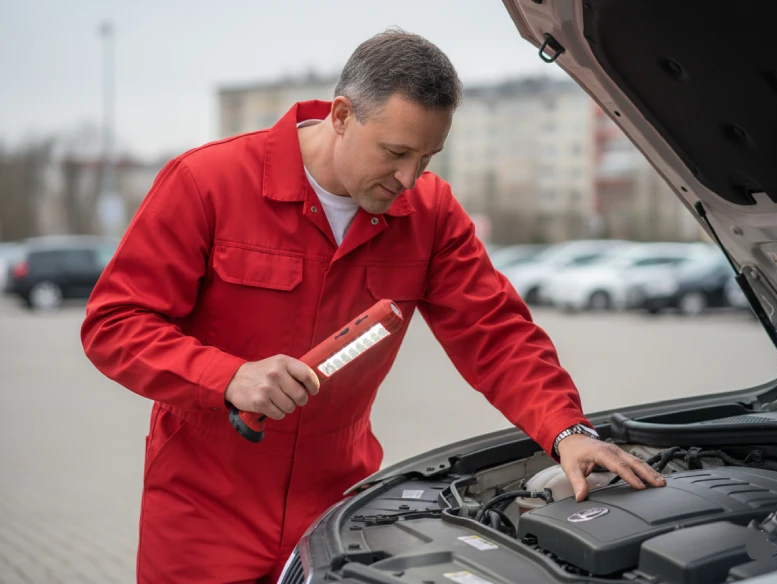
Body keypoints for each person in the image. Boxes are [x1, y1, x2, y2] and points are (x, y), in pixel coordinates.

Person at [81, 28, 666, 584]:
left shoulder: (429, 215)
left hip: (335, 514)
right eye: (396, 152)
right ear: (341, 116)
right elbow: (113, 324)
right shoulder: (208, 182)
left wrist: (567, 430)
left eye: (428, 158)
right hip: (203, 510)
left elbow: (497, 334)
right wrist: (228, 376)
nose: (409, 178)